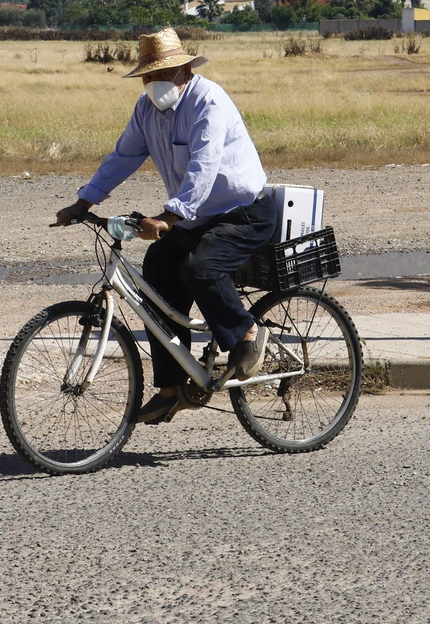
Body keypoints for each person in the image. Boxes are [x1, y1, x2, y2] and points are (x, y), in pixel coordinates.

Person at [56, 26, 275, 424]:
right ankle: (172, 388)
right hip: (196, 216)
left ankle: (246, 332)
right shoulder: (146, 110)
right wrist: (83, 202)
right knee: (156, 272)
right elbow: (122, 157)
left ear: (184, 71)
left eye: (163, 74)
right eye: (148, 75)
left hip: (244, 212)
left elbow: (203, 167)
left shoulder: (208, 101)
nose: (155, 83)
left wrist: (170, 217)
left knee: (200, 269)